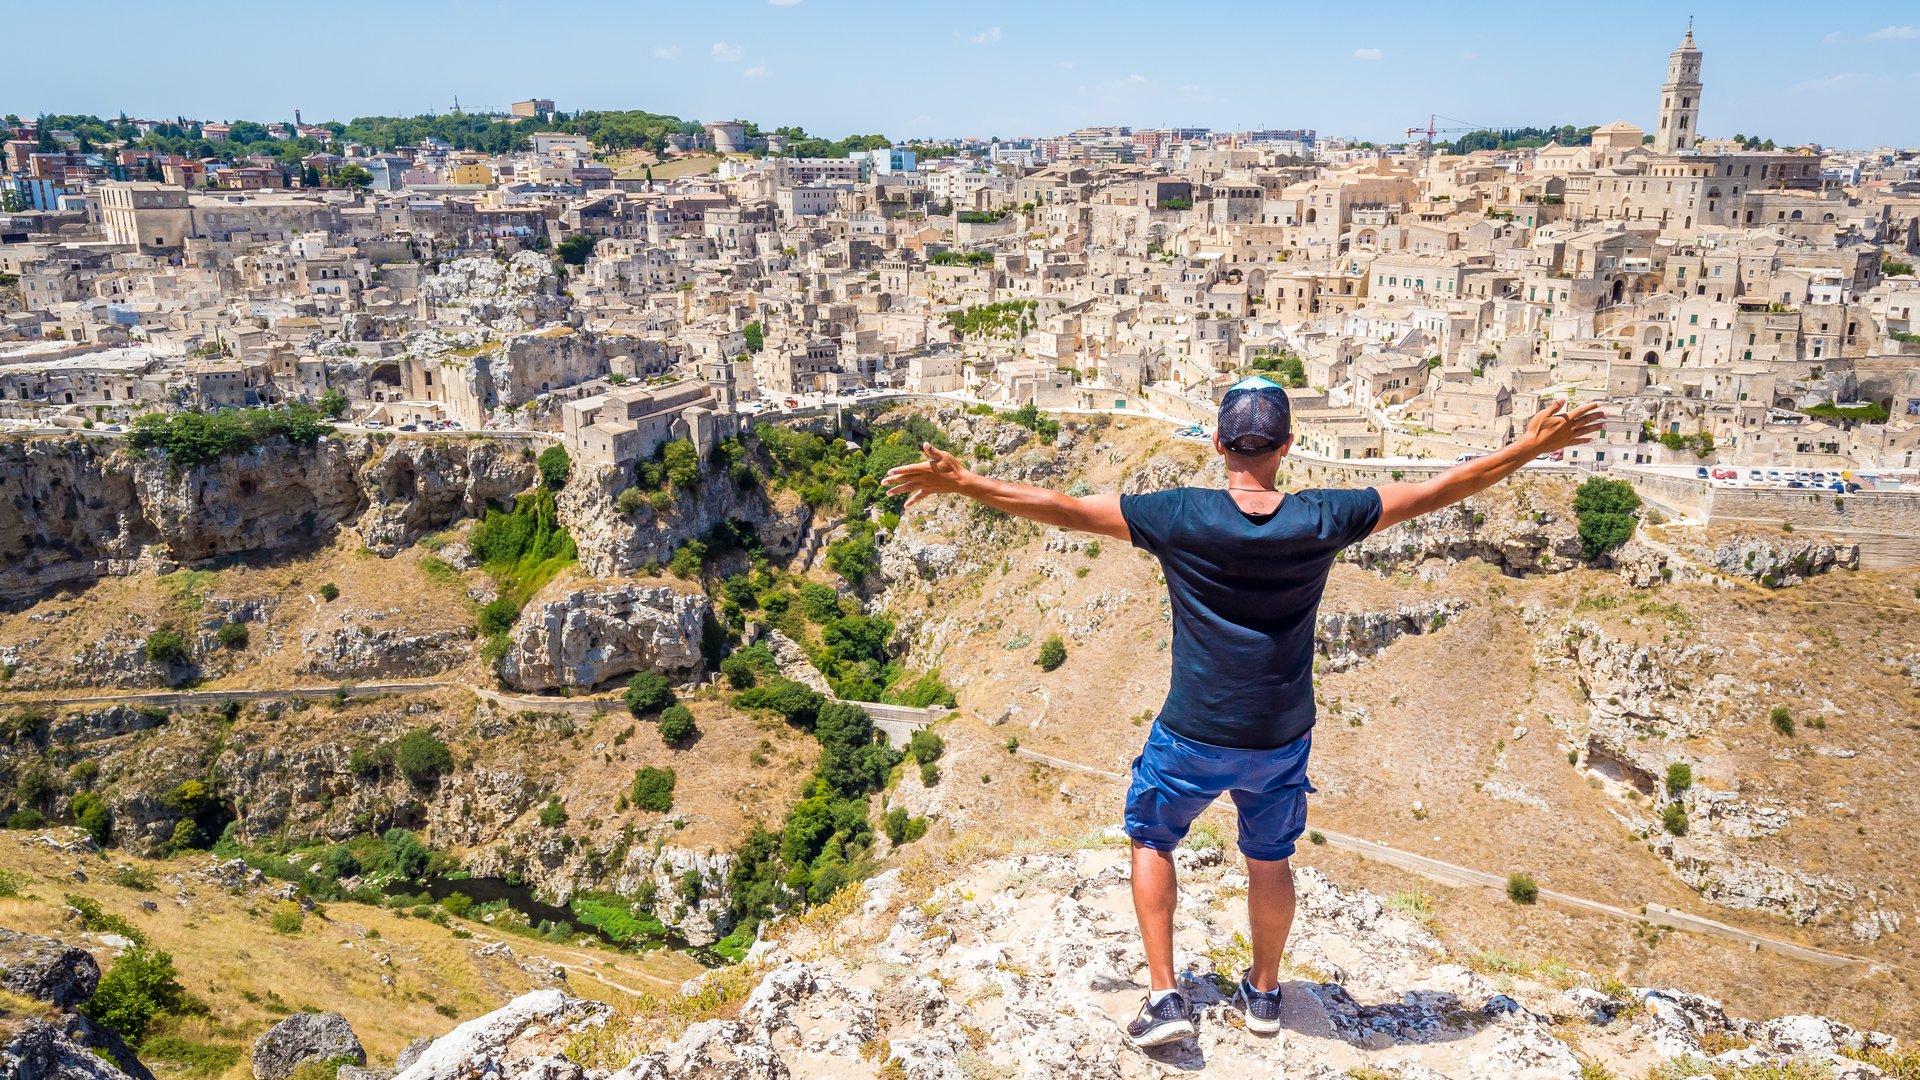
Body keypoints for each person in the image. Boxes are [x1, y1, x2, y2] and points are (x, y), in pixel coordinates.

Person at [884, 378, 1606, 1046]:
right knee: (1269, 857)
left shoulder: (1180, 515)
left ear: (1219, 444)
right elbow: (1444, 488)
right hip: (1281, 734)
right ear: (1287, 448)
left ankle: (1166, 999)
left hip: (1193, 728)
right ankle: (1264, 993)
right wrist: (1528, 448)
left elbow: (1065, 511)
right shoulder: (1325, 515)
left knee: (1152, 838)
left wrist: (964, 482)